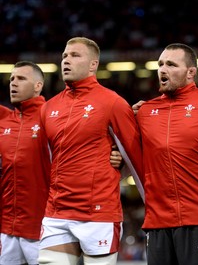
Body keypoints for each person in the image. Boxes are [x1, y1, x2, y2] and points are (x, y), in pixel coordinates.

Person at [38, 37, 142, 265]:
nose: (66, 60)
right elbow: (43, 162)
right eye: (65, 55)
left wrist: (152, 208)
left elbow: (135, 160)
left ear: (93, 65)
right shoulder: (48, 108)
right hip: (57, 213)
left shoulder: (112, 103)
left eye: (75, 55)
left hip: (98, 214)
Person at [135, 43, 198, 265]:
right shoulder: (144, 112)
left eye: (171, 64)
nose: (162, 69)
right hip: (157, 222)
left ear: (191, 72)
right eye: (160, 64)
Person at [0, 61, 51, 265]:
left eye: (21, 78)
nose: (13, 83)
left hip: (42, 229)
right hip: (6, 229)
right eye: (11, 78)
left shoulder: (52, 116)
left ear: (38, 86)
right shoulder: (3, 120)